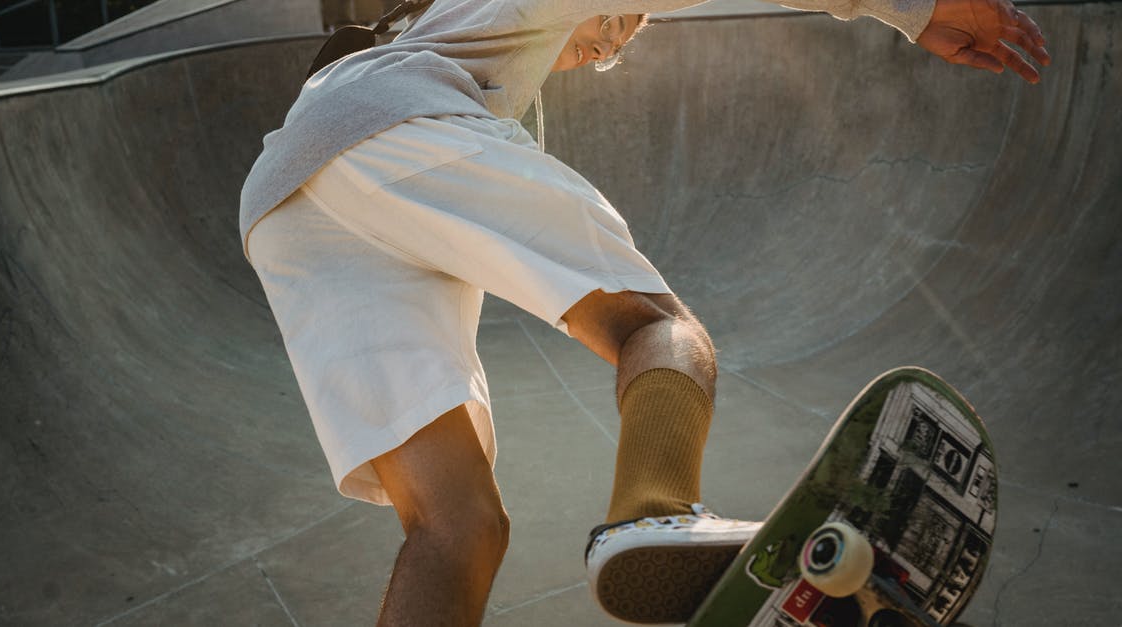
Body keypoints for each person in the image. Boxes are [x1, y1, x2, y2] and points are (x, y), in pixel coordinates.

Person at [239, 1, 1049, 624]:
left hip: (283, 202)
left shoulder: (414, 39)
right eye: (611, 33)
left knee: (457, 524)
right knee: (657, 328)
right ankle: (653, 511)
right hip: (399, 122)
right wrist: (917, 9)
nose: (600, 51)